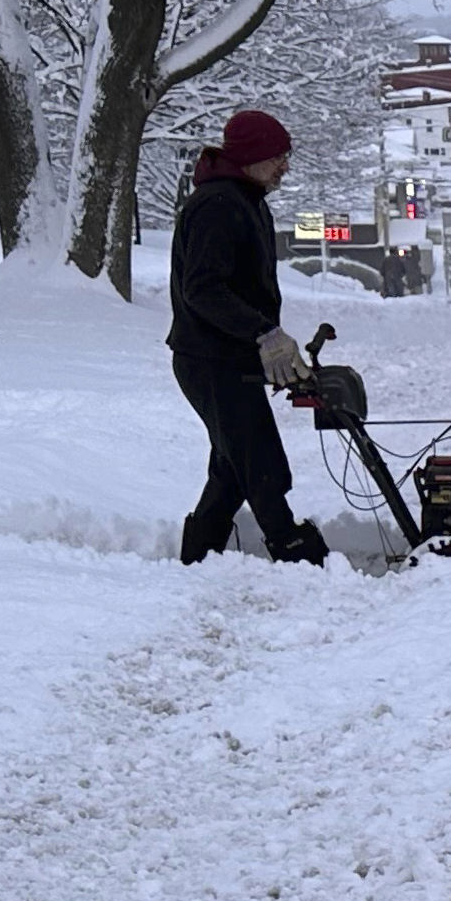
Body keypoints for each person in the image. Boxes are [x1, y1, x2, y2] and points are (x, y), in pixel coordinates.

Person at [169, 109, 327, 565]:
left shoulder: (247, 201)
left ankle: (199, 557)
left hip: (231, 358)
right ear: (251, 156)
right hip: (208, 358)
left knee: (232, 464)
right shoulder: (217, 206)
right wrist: (264, 333)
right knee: (258, 460)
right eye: (278, 156)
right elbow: (202, 289)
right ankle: (290, 548)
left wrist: (269, 341)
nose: (285, 166)